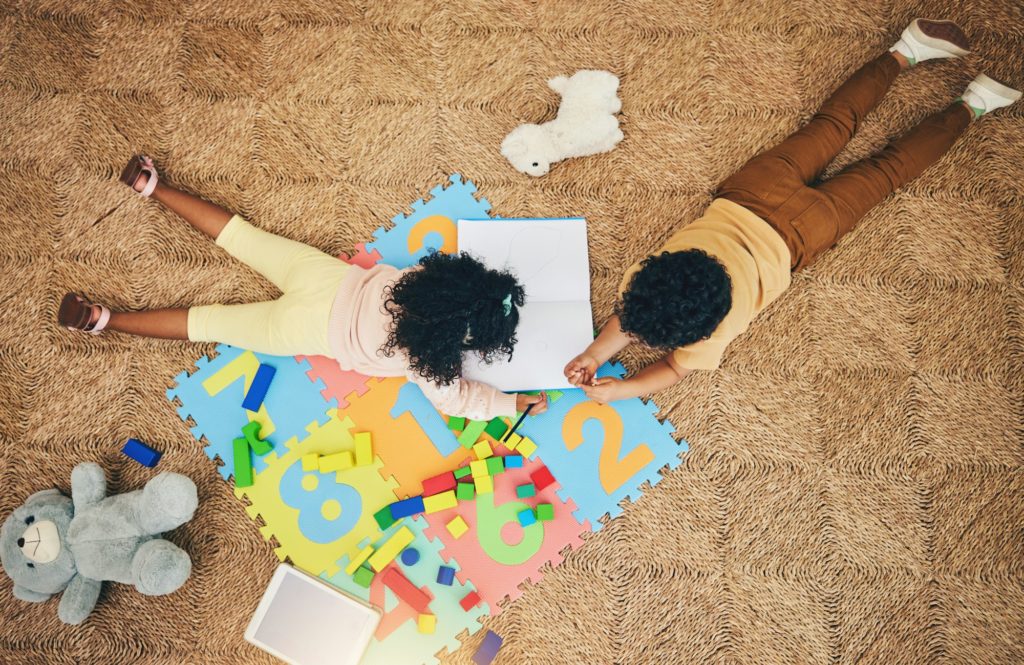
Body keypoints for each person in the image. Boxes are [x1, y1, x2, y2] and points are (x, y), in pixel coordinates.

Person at [565, 19, 1021, 401]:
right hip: (753, 192)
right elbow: (632, 315)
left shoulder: (717, 331)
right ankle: (906, 51)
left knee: (889, 171)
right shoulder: (641, 273)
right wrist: (592, 355)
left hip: (801, 235)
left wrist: (622, 387)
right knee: (834, 124)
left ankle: (974, 103)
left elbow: (673, 368)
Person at [58, 158, 548, 420]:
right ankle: (104, 319)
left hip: (324, 278)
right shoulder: (429, 362)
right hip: (306, 330)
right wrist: (511, 403)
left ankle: (151, 185)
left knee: (241, 237)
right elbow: (458, 401)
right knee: (209, 323)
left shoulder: (423, 280)